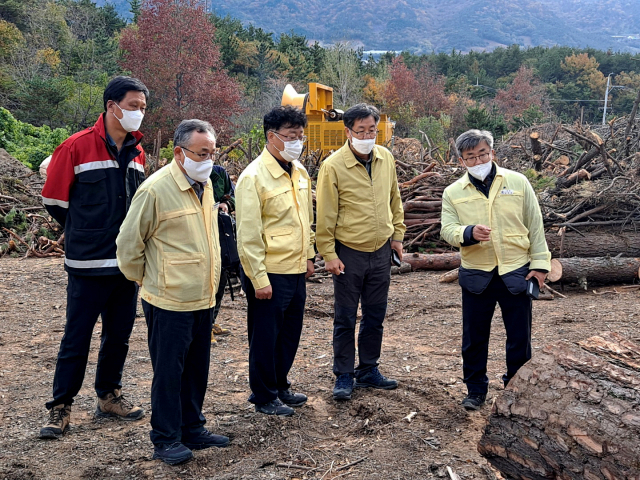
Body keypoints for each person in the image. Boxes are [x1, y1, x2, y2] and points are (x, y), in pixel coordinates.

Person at [39, 76, 148, 439]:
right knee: (77, 335)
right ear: (111, 106)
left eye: (143, 108)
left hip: (127, 264)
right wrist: (85, 231)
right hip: (87, 264)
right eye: (134, 106)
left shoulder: (138, 151)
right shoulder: (76, 147)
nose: (139, 114)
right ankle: (60, 406)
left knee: (119, 334)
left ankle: (109, 394)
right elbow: (54, 200)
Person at [116, 119, 228, 465]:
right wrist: (149, 280)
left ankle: (192, 427)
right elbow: (127, 246)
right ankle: (165, 437)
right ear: (179, 153)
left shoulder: (205, 184)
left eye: (212, 152)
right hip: (169, 301)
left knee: (197, 368)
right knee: (168, 372)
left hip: (203, 298)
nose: (208, 159)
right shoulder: (155, 190)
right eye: (201, 153)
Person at [440, 129, 551, 411]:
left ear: (492, 153)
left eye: (482, 154)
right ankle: (476, 390)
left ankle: (516, 388)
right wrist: (467, 232)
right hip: (477, 274)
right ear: (461, 161)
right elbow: (447, 229)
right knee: (474, 337)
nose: (478, 160)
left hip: (516, 272)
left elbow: (535, 225)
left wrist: (540, 265)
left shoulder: (517, 182)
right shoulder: (453, 192)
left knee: (519, 337)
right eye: (470, 157)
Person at [316, 103, 406, 401]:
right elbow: (326, 214)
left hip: (381, 250)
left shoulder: (386, 158)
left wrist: (397, 236)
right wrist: (328, 253)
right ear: (348, 132)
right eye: (361, 130)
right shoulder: (334, 166)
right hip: (349, 252)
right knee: (345, 316)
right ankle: (344, 373)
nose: (367, 135)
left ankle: (368, 368)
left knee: (375, 314)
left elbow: (394, 197)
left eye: (372, 130)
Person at [236, 105, 315, 417]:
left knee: (289, 333)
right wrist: (258, 278)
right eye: (291, 136)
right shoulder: (253, 177)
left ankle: (280, 384)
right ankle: (264, 394)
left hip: (295, 268)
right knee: (265, 335)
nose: (298, 141)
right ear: (271, 137)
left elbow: (305, 220)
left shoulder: (299, 172)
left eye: (300, 135)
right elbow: (248, 234)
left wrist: (309, 256)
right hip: (269, 271)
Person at [209, 163, 236, 344]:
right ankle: (203, 327)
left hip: (221, 232)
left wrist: (226, 204)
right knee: (206, 281)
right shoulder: (182, 176)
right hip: (198, 235)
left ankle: (211, 323)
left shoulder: (219, 173)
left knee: (221, 278)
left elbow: (232, 195)